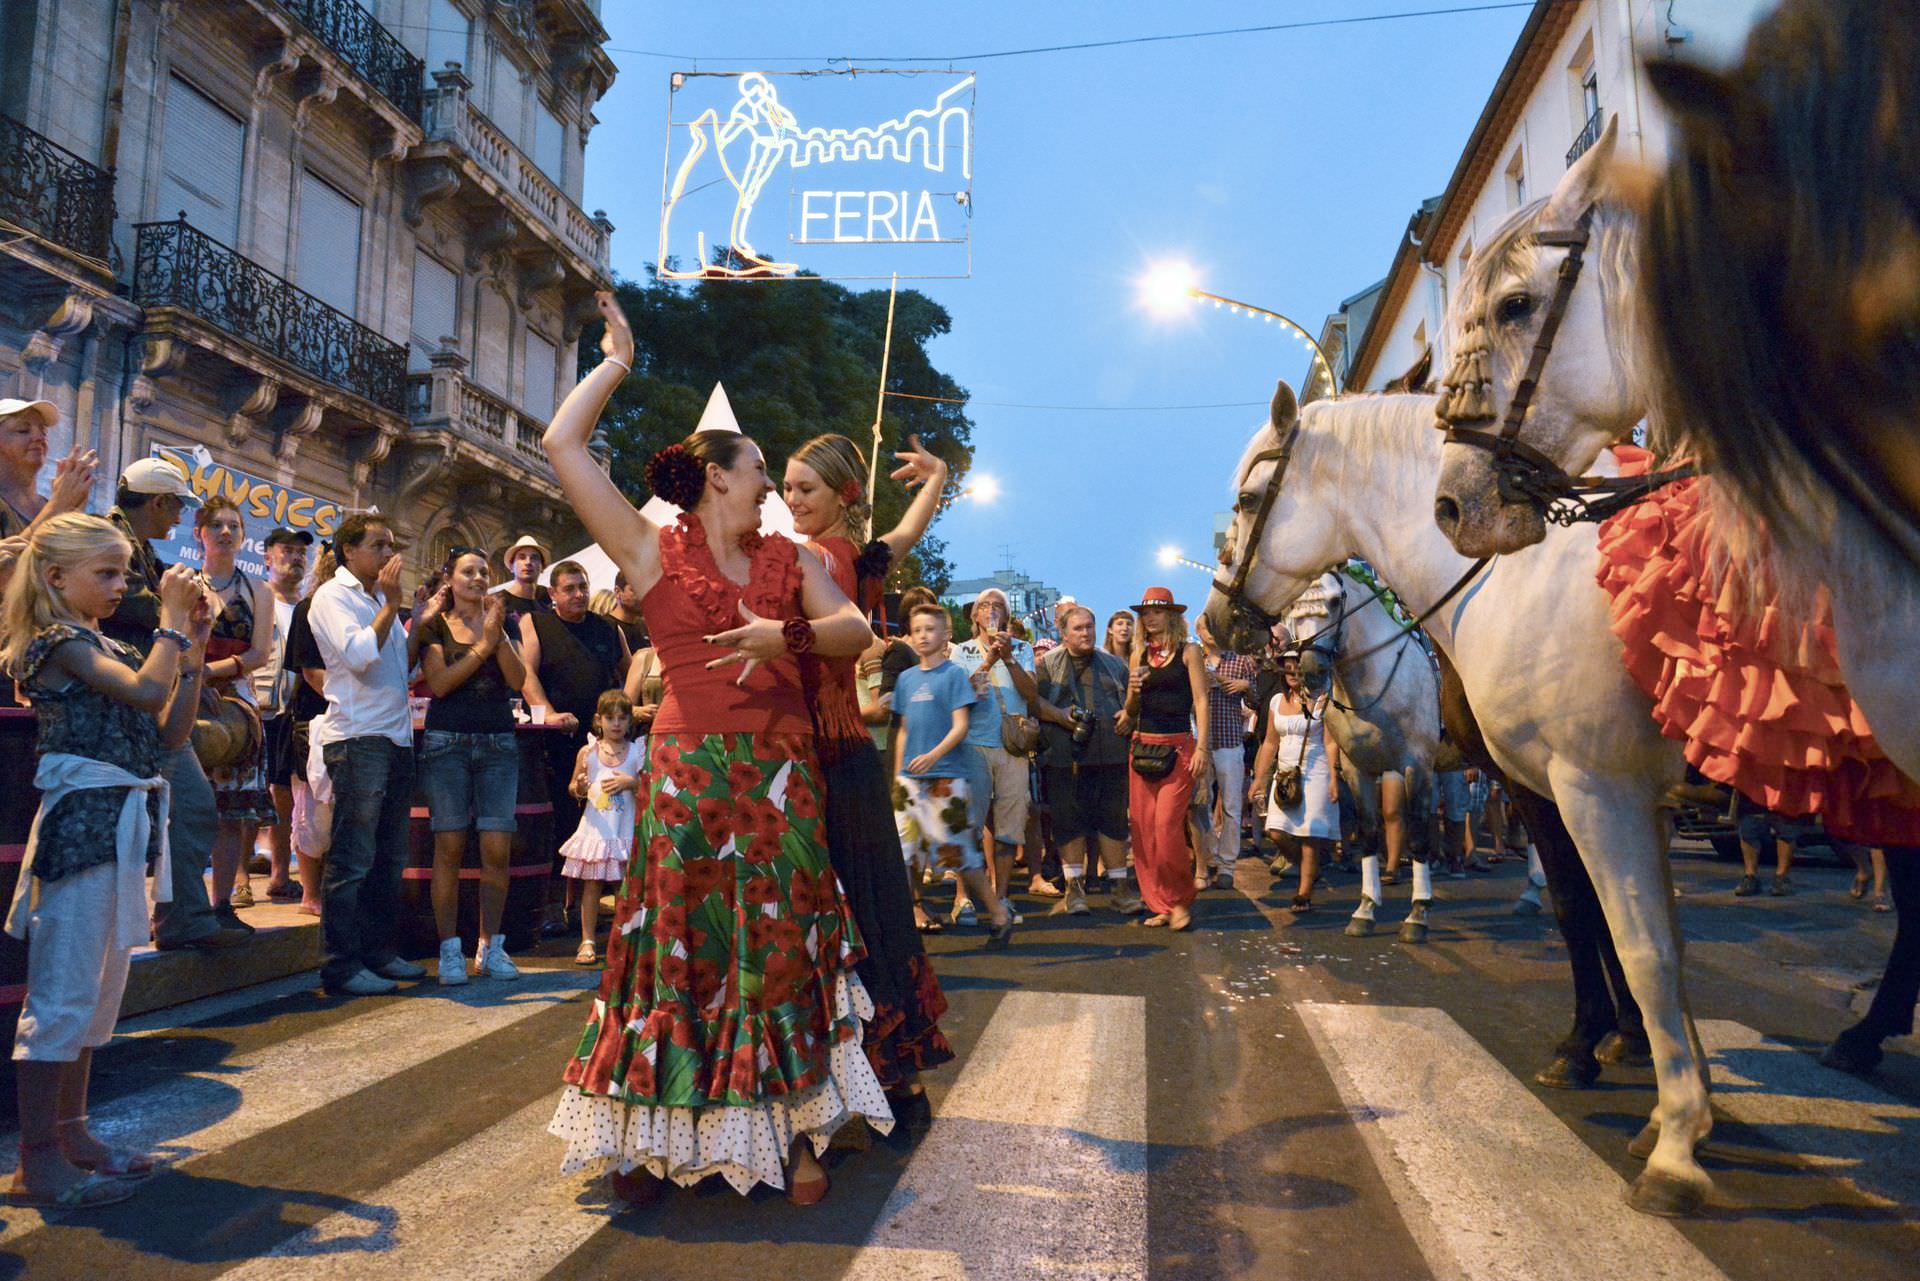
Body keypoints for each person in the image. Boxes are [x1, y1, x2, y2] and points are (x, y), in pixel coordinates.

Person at [544, 293, 892, 1204]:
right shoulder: (651, 551)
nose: (774, 486)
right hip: (691, 781)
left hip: (783, 780)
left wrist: (791, 641)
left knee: (781, 951)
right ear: (713, 480)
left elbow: (857, 630)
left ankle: (799, 1132)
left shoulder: (792, 562)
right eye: (760, 471)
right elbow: (562, 448)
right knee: (680, 952)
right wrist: (616, 361)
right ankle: (650, 1134)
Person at [2, 514, 211, 1208]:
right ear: (56, 577)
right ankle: (36, 1161)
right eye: (108, 572)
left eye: (125, 572)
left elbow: (170, 729)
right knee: (63, 993)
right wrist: (174, 626)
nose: (122, 585)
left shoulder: (110, 642)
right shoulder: (54, 643)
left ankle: (73, 1132)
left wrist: (195, 648)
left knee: (97, 995)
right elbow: (147, 693)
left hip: (123, 824)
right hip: (84, 827)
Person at [784, 431, 956, 1121]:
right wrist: (938, 476)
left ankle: (859, 1078)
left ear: (840, 495)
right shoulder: (858, 556)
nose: (791, 500)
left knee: (835, 915)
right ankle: (896, 1074)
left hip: (819, 756)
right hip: (848, 754)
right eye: (788, 487)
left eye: (806, 489)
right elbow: (908, 532)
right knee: (876, 911)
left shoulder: (812, 558)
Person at [105, 459, 247, 952]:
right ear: (159, 502)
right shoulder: (113, 545)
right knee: (185, 806)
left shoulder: (136, 549)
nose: (176, 518)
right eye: (176, 506)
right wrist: (181, 609)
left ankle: (182, 916)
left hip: (143, 699)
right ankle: (177, 919)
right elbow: (146, 608)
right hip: (121, 703)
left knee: (189, 806)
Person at [308, 514, 429, 997]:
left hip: (394, 737)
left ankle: (378, 952)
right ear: (348, 551)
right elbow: (358, 656)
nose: (388, 554)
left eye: (391, 544)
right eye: (379, 545)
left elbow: (398, 669)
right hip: (358, 738)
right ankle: (340, 964)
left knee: (387, 855)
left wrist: (413, 621)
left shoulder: (378, 598)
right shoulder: (332, 596)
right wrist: (394, 607)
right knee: (353, 856)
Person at [416, 547, 526, 984]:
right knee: (450, 847)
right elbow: (439, 684)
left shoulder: (505, 623)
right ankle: (449, 952)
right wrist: (483, 645)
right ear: (451, 578)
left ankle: (490, 946)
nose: (479, 578)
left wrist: (496, 635)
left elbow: (519, 682)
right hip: (448, 744)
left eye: (484, 572)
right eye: (469, 571)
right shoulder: (435, 625)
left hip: (498, 742)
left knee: (497, 849)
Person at [894, 602, 1013, 945]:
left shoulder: (953, 676)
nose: (923, 636)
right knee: (905, 851)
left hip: (946, 777)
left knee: (957, 854)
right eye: (917, 630)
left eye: (930, 629)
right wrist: (899, 774)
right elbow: (903, 729)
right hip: (909, 781)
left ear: (946, 635)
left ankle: (998, 912)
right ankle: (905, 924)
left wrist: (932, 756)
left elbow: (960, 726)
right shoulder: (906, 679)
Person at [521, 558, 628, 935]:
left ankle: (596, 905)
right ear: (552, 594)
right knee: (562, 823)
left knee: (606, 823)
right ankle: (554, 905)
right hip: (559, 741)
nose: (579, 594)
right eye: (570, 588)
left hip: (606, 744)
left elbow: (627, 677)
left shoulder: (608, 627)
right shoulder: (536, 622)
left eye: (582, 586)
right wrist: (547, 713)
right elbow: (526, 673)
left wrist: (621, 724)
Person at [953, 588, 1067, 922]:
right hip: (973, 745)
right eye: (984, 606)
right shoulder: (963, 652)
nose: (990, 611)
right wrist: (988, 659)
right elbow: (961, 694)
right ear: (975, 616)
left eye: (997, 606)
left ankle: (1001, 897)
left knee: (1008, 828)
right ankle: (963, 898)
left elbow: (1031, 695)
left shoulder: (1021, 649)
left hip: (1012, 748)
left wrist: (1008, 658)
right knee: (969, 828)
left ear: (1006, 616)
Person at [192, 496, 277, 925]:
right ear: (199, 534)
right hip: (186, 700)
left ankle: (221, 904)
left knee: (230, 813)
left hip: (237, 705)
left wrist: (210, 672)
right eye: (217, 525)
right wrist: (195, 678)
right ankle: (184, 904)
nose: (226, 532)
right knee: (186, 808)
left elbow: (261, 652)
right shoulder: (183, 583)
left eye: (234, 526)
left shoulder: (258, 589)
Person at [1034, 605, 1136, 916]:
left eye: (1089, 626)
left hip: (1110, 755)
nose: (1086, 633)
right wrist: (1061, 717)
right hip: (1065, 758)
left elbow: (1131, 704)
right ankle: (1074, 890)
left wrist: (1129, 716)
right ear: (1063, 634)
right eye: (1078, 628)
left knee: (1113, 823)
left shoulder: (1114, 664)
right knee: (1069, 825)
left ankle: (1120, 889)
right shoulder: (1047, 665)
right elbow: (1034, 702)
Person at [1118, 586, 1209, 930]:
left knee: (1167, 828)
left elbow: (1201, 701)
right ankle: (1160, 903)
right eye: (1145, 613)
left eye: (1156, 612)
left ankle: (1180, 899)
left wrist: (1203, 747)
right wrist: (1133, 693)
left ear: (1171, 615)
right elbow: (1130, 710)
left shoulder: (1190, 652)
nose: (1149, 618)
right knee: (1144, 833)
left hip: (1178, 748)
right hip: (1142, 748)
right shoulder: (1138, 654)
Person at [1252, 648, 1340, 913]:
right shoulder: (1277, 701)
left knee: (1309, 834)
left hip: (1316, 769)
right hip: (1286, 774)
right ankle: (1308, 868)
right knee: (1275, 831)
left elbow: (1330, 741)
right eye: (1287, 667)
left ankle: (1304, 893)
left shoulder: (1323, 699)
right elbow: (1270, 742)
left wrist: (1334, 777)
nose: (1292, 672)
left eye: (1297, 666)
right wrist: (1258, 779)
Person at [558, 688, 641, 967]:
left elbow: (649, 786)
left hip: (624, 831)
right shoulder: (589, 752)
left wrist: (631, 783)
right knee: (591, 885)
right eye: (610, 718)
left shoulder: (636, 752)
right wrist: (579, 786)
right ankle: (588, 939)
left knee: (623, 887)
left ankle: (623, 940)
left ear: (630, 721)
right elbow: (574, 787)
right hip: (597, 832)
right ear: (599, 720)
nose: (616, 724)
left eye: (621, 718)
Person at [255, 527, 311, 902]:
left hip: (298, 712)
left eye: (300, 553)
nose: (295, 558)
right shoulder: (259, 599)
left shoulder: (311, 606)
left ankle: (280, 872)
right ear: (268, 557)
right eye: (287, 550)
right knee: (252, 791)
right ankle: (240, 877)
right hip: (262, 707)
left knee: (287, 791)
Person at [279, 545, 334, 916]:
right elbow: (310, 671)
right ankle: (310, 893)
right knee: (310, 809)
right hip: (314, 717)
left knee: (335, 811)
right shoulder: (309, 608)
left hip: (351, 718)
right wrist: (353, 697)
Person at [1197, 616, 1256, 890]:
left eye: (1214, 626)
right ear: (1198, 632)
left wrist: (1246, 686)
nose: (1210, 632)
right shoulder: (1193, 659)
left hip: (1230, 740)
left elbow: (1258, 699)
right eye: (1206, 627)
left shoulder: (1240, 660)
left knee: (1232, 806)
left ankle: (1227, 865)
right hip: (1200, 743)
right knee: (1201, 805)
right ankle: (1208, 857)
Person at [0, 398, 96, 541]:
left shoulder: (49, 504)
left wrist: (74, 513)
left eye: (43, 431)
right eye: (23, 430)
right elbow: (10, 562)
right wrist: (57, 507)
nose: (39, 437)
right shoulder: (55, 505)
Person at [1733, 798, 1796, 897]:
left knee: (1785, 823)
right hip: (1756, 787)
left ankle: (1781, 878)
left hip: (1785, 787)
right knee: (1749, 825)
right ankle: (1750, 877)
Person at [496, 534, 551, 628]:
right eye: (522, 557)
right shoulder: (499, 601)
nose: (528, 562)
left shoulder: (548, 598)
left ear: (542, 567)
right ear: (511, 566)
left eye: (534, 558)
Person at [608, 569, 651, 653]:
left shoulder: (645, 626)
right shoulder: (606, 628)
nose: (643, 594)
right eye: (635, 589)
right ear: (618, 592)